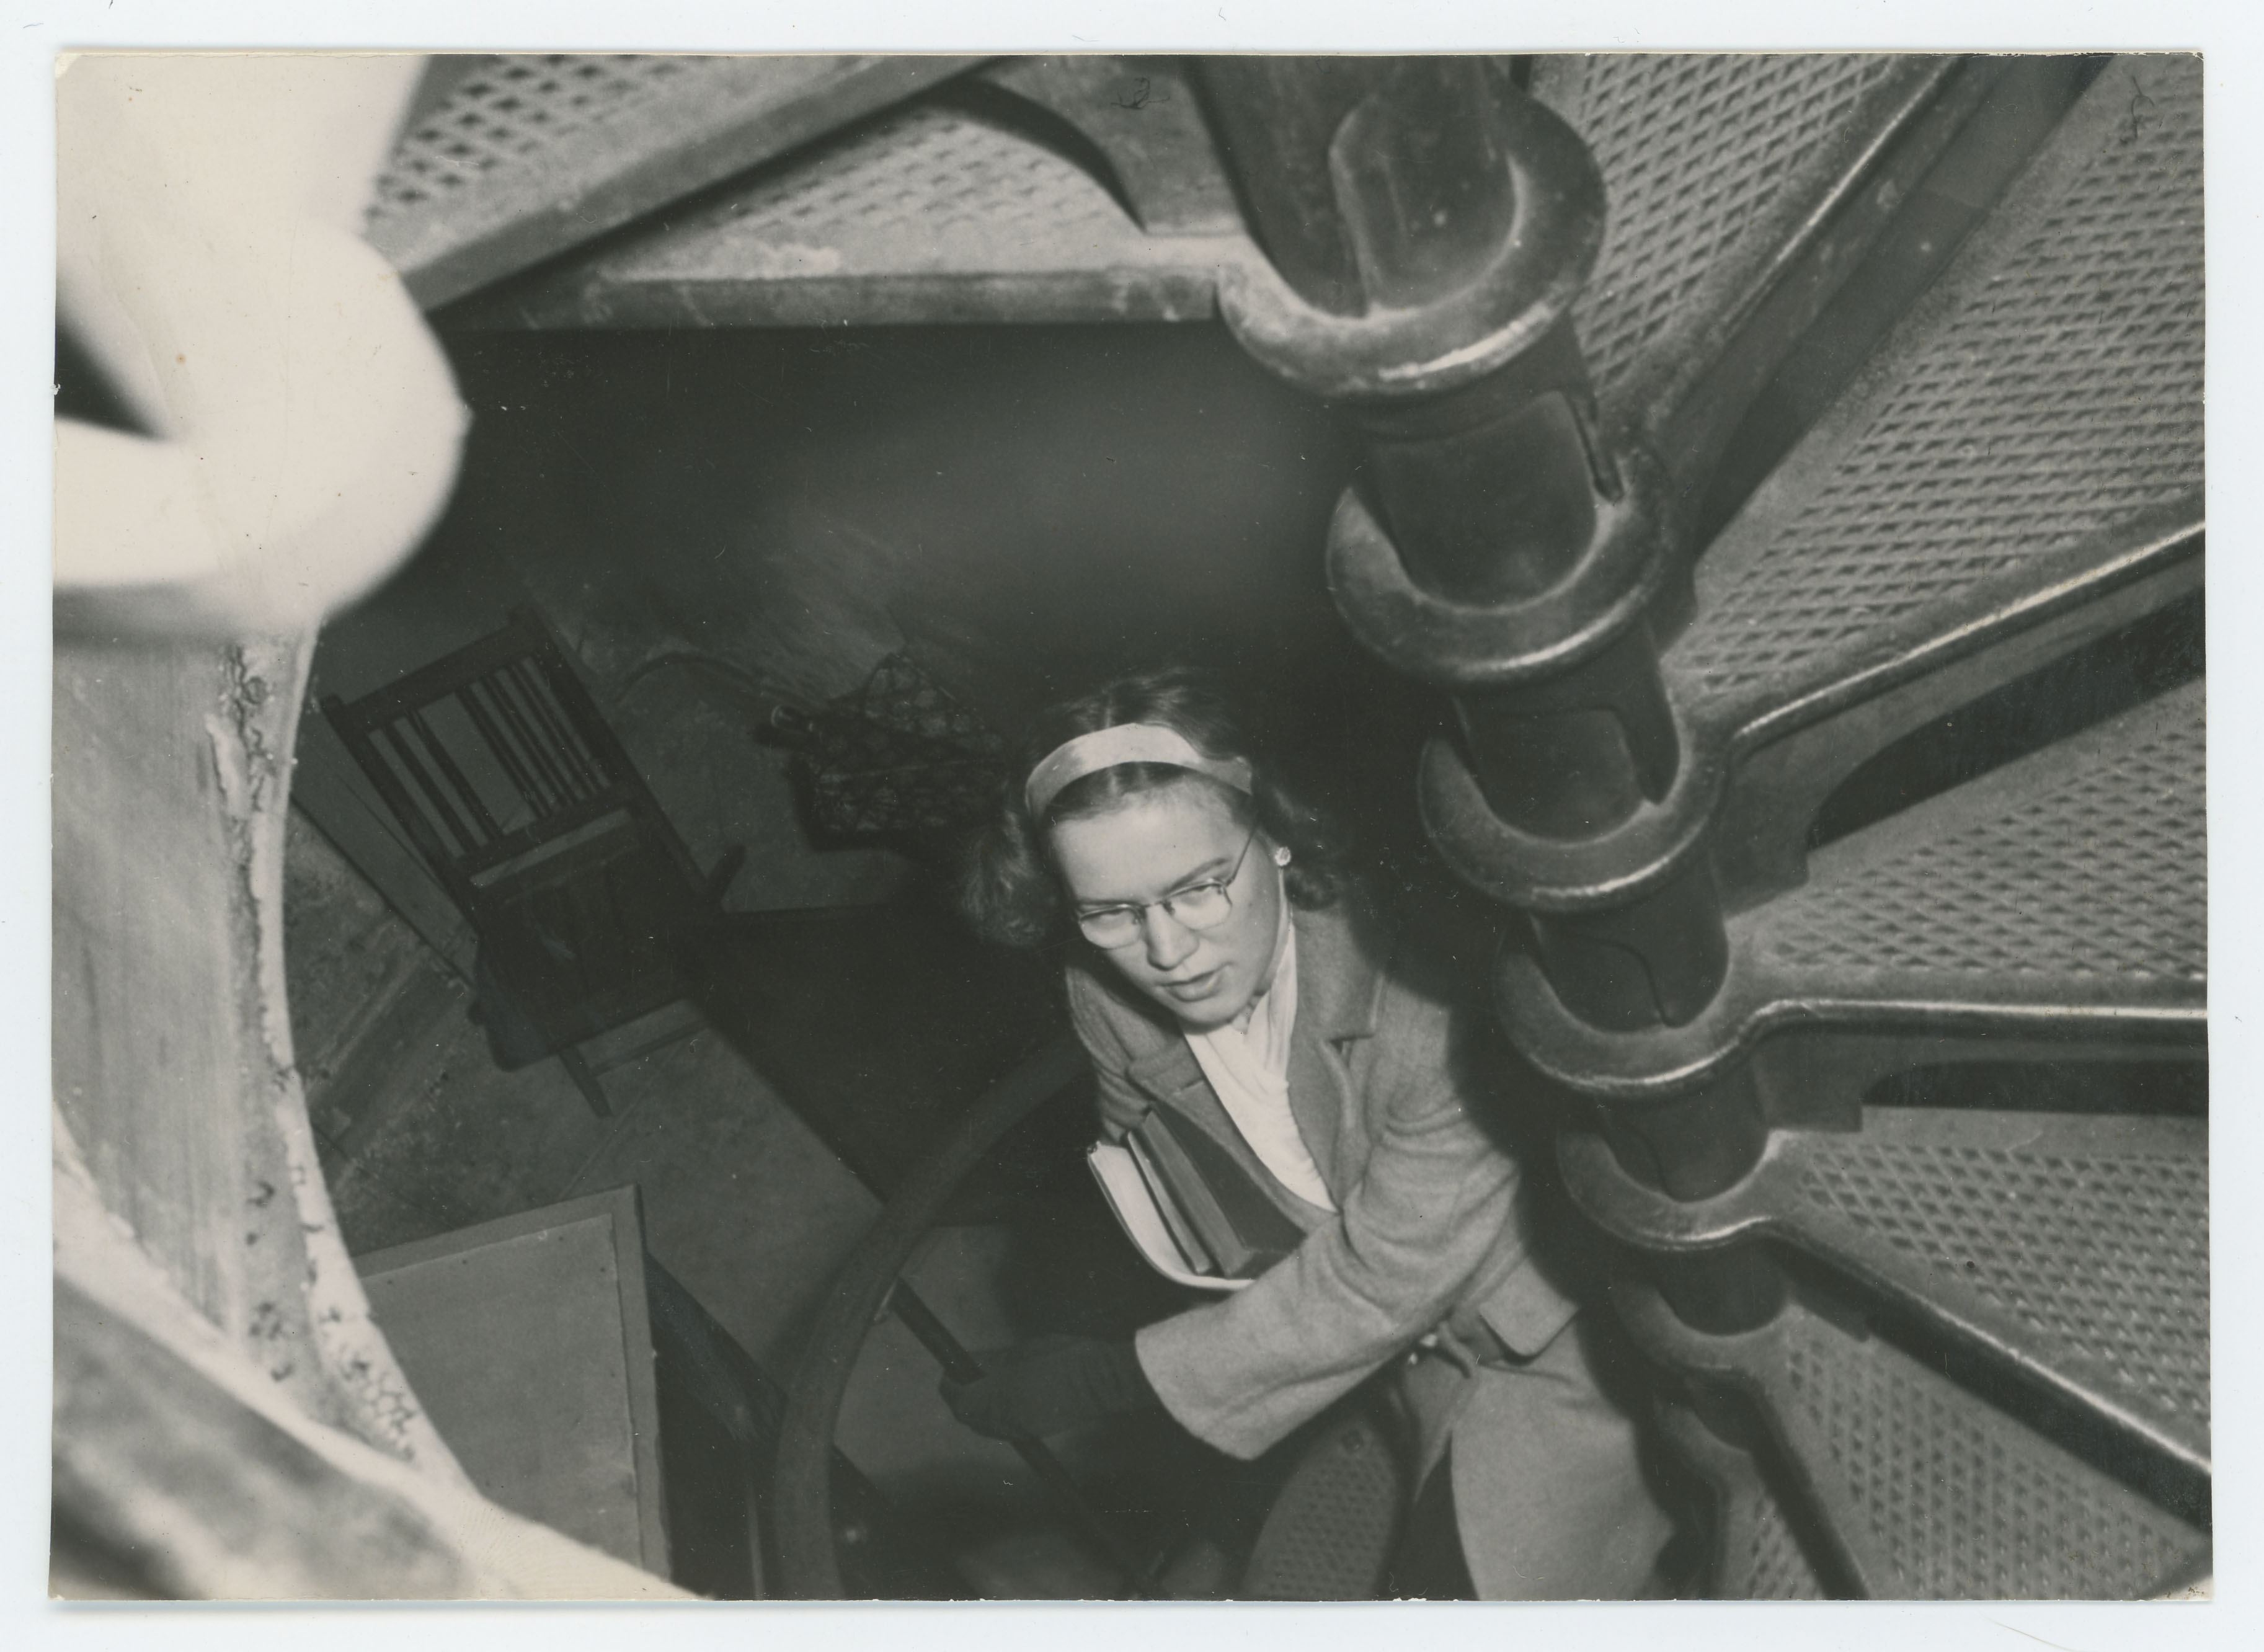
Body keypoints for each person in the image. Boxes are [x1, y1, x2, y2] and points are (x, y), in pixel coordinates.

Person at [946, 666, 1677, 1599]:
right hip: (1400, 1362)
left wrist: (1120, 1376)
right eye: (1112, 913)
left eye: (1201, 887)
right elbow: (1168, 1179)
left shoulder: (1426, 1002)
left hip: (1569, 1346)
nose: (1166, 952)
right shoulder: (1105, 997)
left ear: (1279, 837)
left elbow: (1381, 1278)